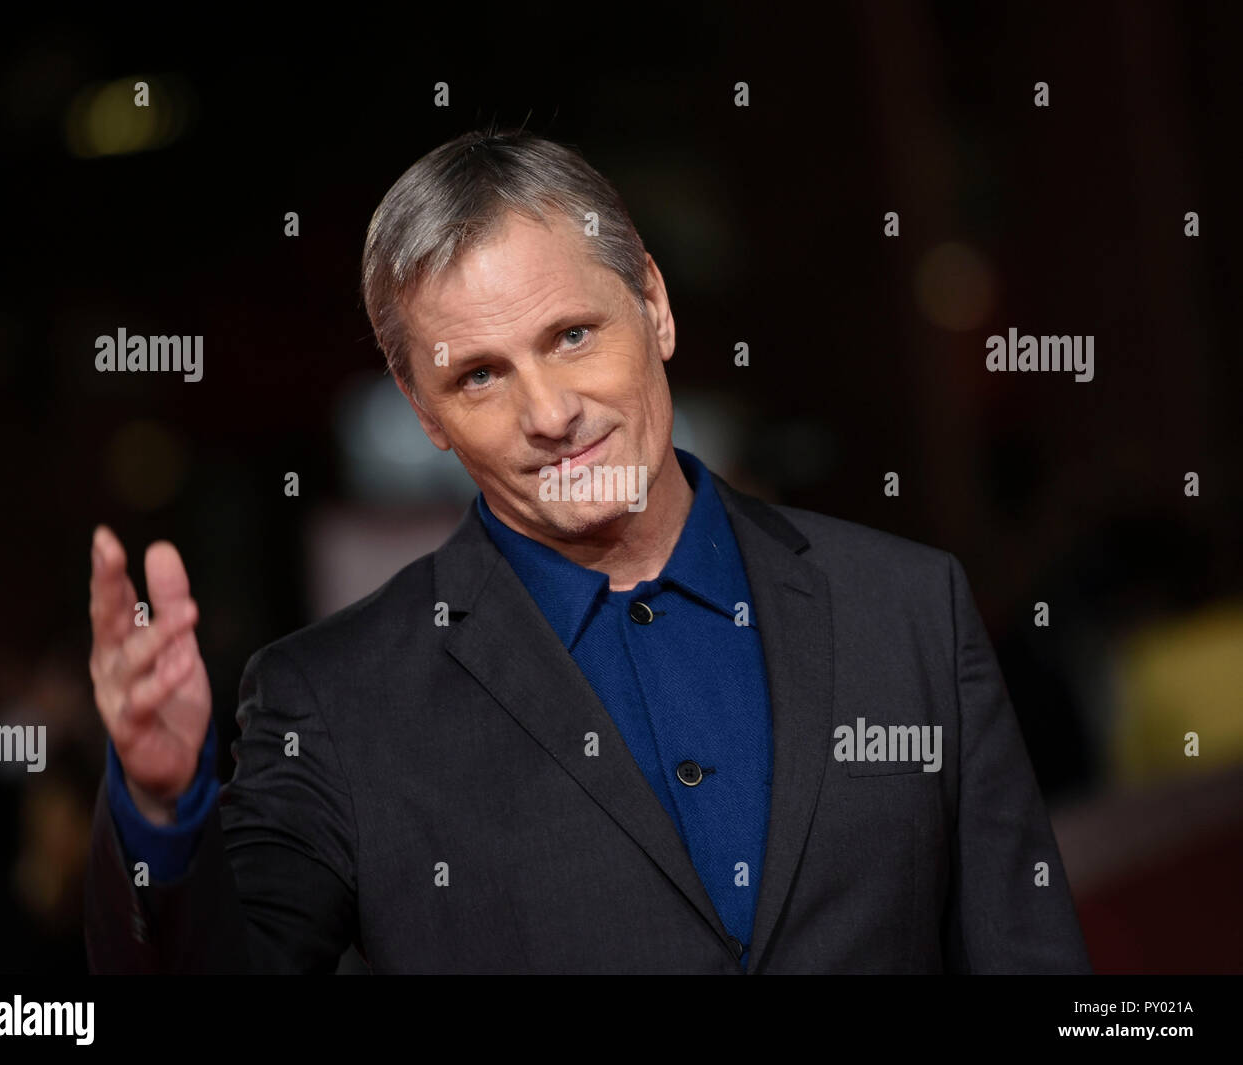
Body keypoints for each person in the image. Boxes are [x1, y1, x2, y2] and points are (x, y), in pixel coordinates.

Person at [84, 129, 1090, 974]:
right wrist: (163, 814)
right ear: (426, 415)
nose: (551, 414)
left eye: (571, 335)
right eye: (480, 376)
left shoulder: (906, 609)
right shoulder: (333, 705)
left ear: (652, 303)